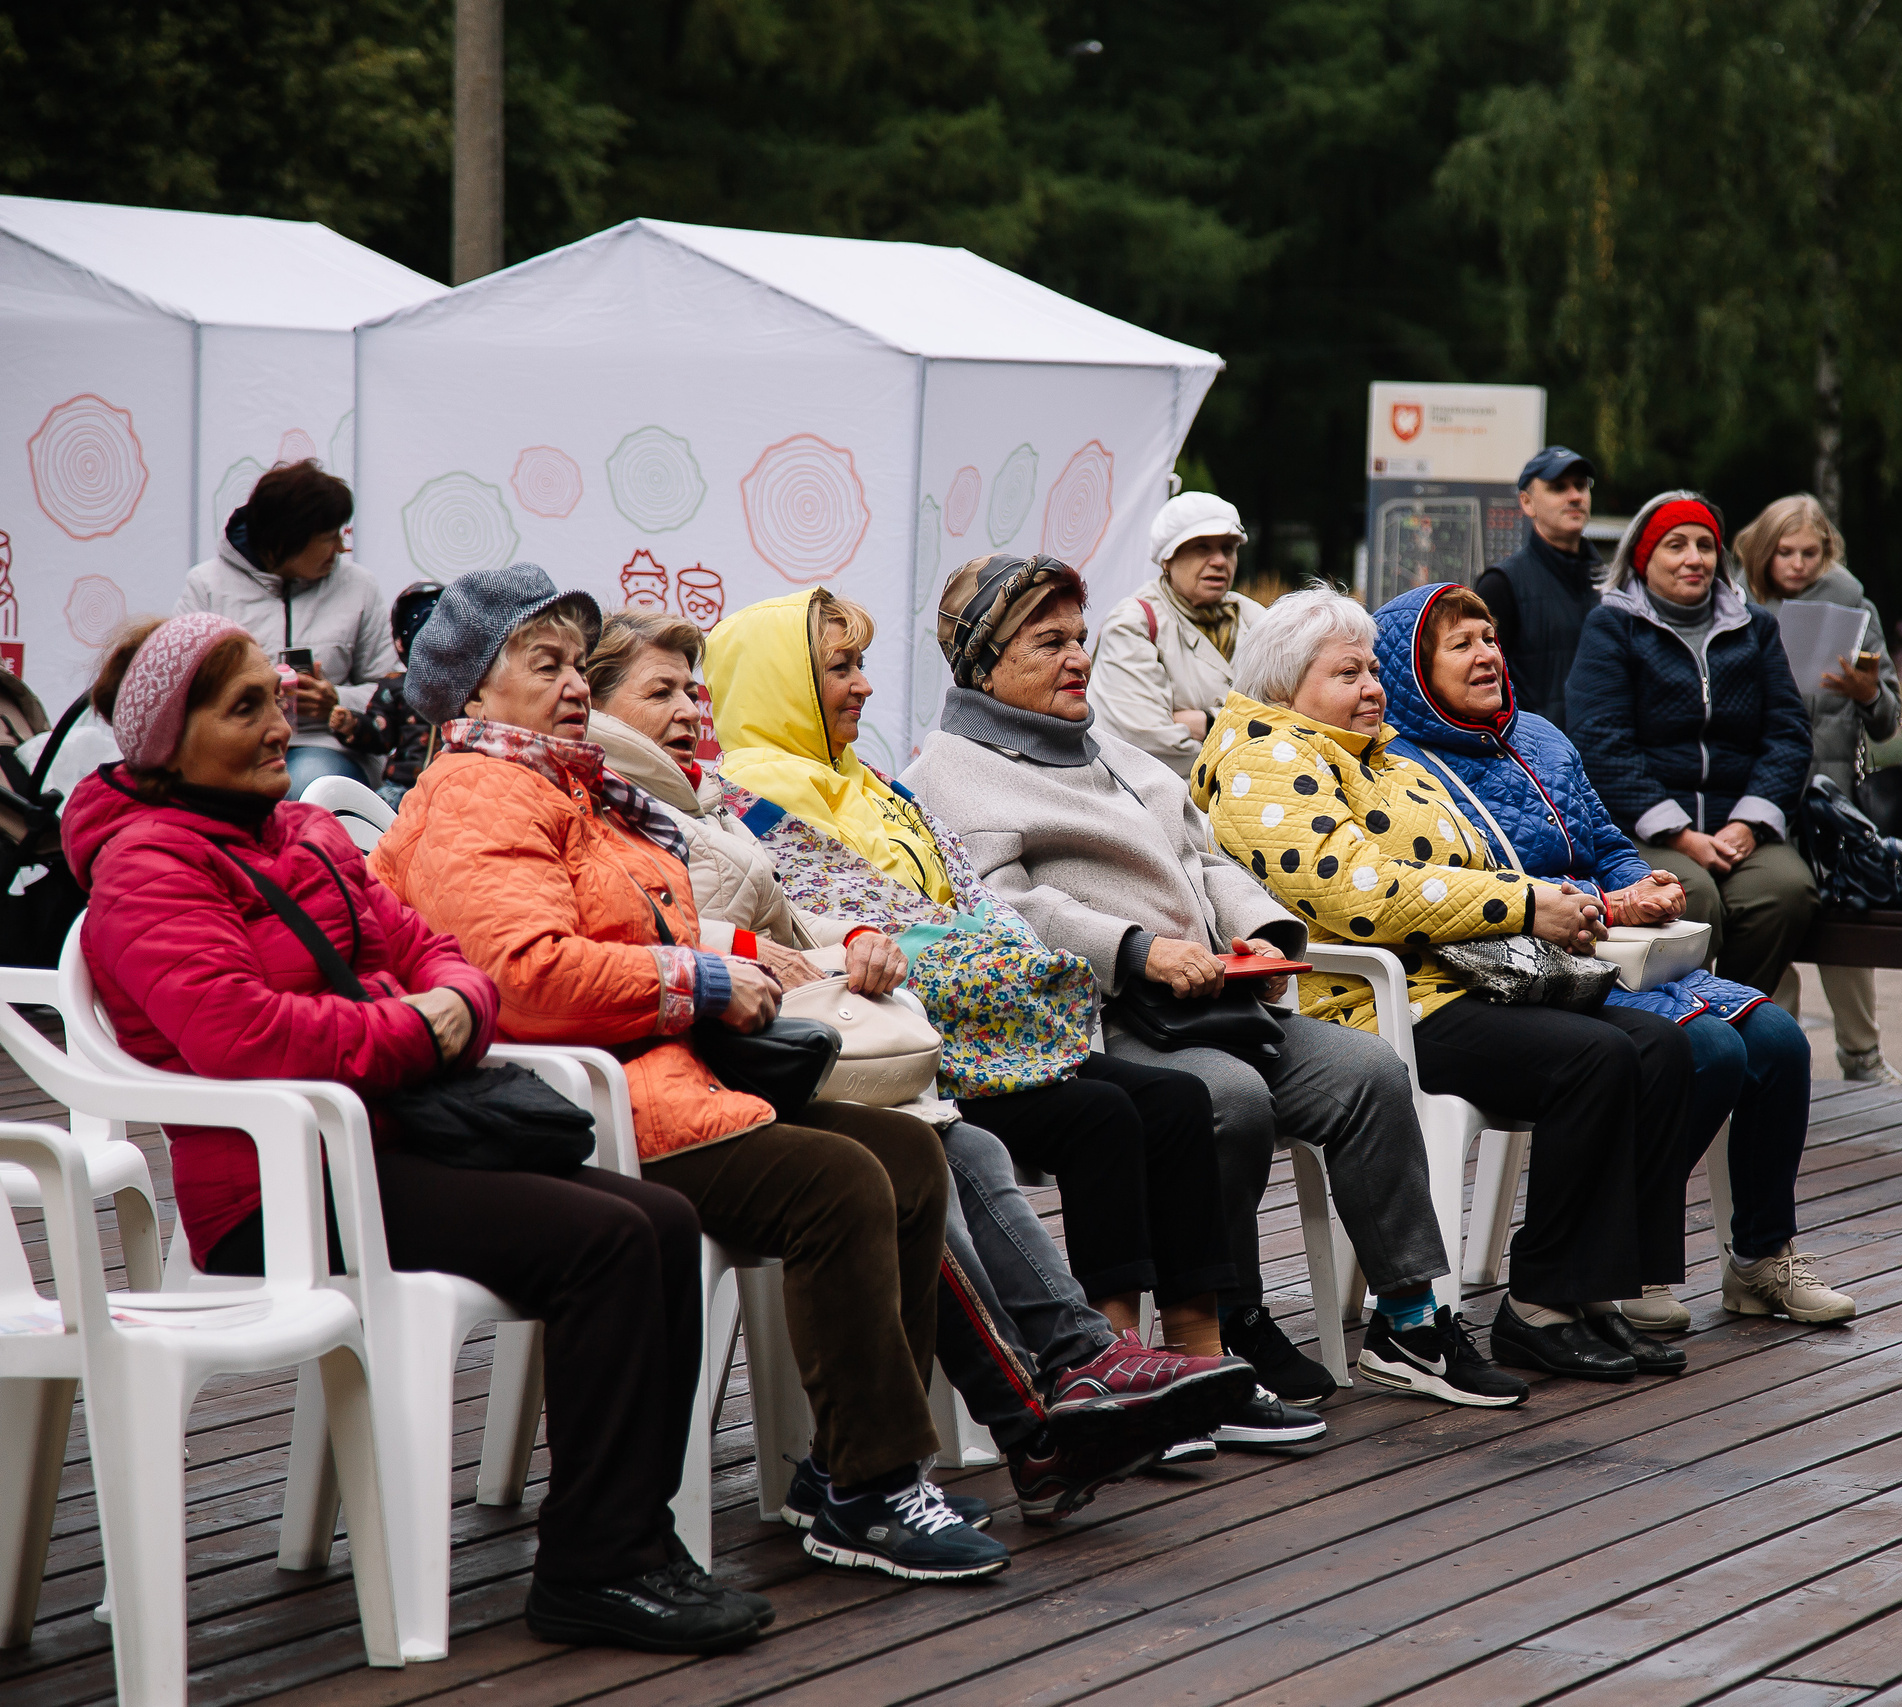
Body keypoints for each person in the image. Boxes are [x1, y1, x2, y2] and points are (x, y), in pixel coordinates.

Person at [60, 612, 763, 1654]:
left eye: (276, 695)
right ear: (167, 738)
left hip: (389, 1146)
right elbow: (246, 1038)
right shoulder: (147, 867)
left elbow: (441, 953)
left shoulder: (296, 834)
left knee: (659, 1219)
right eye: (242, 707)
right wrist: (416, 1031)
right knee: (607, 1243)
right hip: (279, 1191)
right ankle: (593, 1568)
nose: (276, 723)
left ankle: (632, 1541)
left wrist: (453, 1012)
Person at [371, 564, 1010, 1584]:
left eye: (579, 665)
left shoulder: (563, 783)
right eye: (547, 666)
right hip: (590, 1106)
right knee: (840, 1180)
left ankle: (847, 1471)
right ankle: (874, 1487)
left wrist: (725, 969)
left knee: (904, 1151)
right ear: (474, 691)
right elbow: (523, 977)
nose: (576, 685)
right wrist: (700, 982)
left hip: (661, 1075)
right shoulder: (476, 795)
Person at [585, 608, 1253, 1521]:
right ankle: (1014, 1424)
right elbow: (649, 931)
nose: (690, 707)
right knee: (920, 1154)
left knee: (977, 1144)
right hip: (721, 1064)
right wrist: (777, 949)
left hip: (807, 1040)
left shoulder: (711, 792)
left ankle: (1074, 1374)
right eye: (659, 692)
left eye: (691, 688)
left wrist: (845, 938)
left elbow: (815, 915)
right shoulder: (690, 796)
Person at [701, 588, 1316, 1457]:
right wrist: (1044, 953)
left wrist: (996, 948)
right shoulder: (757, 801)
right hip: (919, 1053)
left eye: (861, 664)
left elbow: (975, 903)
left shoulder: (866, 783)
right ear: (778, 684)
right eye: (838, 668)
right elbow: (884, 927)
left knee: (1172, 1104)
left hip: (999, 1033)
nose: (866, 687)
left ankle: (1191, 1357)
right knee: (1111, 1113)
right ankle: (1111, 1362)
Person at [909, 556, 1518, 1409]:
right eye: (1048, 642)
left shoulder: (1104, 744)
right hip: (1105, 1018)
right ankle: (1230, 1318)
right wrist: (1133, 949)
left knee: (1369, 1071)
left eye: (1079, 638)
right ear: (982, 661)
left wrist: (1260, 929)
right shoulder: (952, 767)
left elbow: (1204, 853)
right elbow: (1007, 909)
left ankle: (1410, 1320)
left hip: (1220, 1000)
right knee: (1230, 1098)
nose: (1077, 657)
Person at [1195, 589, 1694, 1384]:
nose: (1372, 686)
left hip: (1463, 978)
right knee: (1594, 1059)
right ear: (1289, 686)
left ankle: (1593, 1290)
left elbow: (1468, 866)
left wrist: (1575, 903)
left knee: (1664, 1047)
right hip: (1371, 1001)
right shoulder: (1266, 755)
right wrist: (1528, 903)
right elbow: (1358, 893)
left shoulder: (1379, 756)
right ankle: (1538, 1309)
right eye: (1347, 672)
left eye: (1372, 669)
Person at [1375, 583, 1856, 1327]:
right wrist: (1601, 905)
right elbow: (1462, 891)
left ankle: (1759, 1258)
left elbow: (1605, 842)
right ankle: (1624, 1258)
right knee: (1708, 1050)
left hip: (1619, 949)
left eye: (1491, 638)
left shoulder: (1539, 736)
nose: (1487, 655)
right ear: (1411, 667)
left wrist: (1645, 885)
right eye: (1462, 643)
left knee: (1779, 1041)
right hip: (1530, 968)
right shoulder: (1400, 764)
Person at [1565, 489, 1821, 999]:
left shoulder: (1756, 628)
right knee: (1687, 895)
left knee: (1785, 892)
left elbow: (1789, 733)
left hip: (1739, 826)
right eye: (1675, 545)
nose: (1693, 558)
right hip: (1648, 831)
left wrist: (1750, 822)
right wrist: (1681, 835)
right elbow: (1601, 742)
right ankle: (1683, 1030)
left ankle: (1743, 1013)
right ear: (1644, 557)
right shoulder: (1613, 627)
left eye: (1705, 545)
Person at [1735, 496, 1902, 1087]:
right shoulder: (1735, 603)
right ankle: (1775, 1053)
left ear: (1828, 552)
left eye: (1810, 553)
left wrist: (1866, 691)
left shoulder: (1851, 604)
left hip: (1831, 801)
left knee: (1847, 921)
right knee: (1770, 915)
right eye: (1784, 552)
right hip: (1758, 793)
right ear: (1763, 551)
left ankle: (1862, 1055)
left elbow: (1888, 720)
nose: (1797, 564)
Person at [173, 459, 397, 798]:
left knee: (307, 789)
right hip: (234, 750)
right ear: (287, 540)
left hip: (326, 749)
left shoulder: (359, 586)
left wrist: (335, 700)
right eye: (329, 537)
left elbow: (393, 691)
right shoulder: (207, 586)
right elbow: (179, 688)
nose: (340, 548)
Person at [1088, 492, 1265, 773]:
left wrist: (1204, 722)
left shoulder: (1258, 620)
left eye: (1228, 548)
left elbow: (1294, 714)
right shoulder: (1133, 625)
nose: (1219, 561)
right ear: (1167, 559)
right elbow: (1145, 741)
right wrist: (1254, 743)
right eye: (1202, 548)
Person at [1475, 446, 1601, 723]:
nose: (1575, 497)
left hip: (1601, 756)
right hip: (1534, 756)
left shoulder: (1610, 582)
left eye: (1581, 486)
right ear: (1527, 503)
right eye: (1558, 488)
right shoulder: (1501, 585)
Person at [329, 581, 445, 805]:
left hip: (454, 787)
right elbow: (380, 734)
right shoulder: (395, 687)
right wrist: (353, 725)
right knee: (374, 822)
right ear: (403, 642)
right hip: (402, 788)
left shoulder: (470, 687)